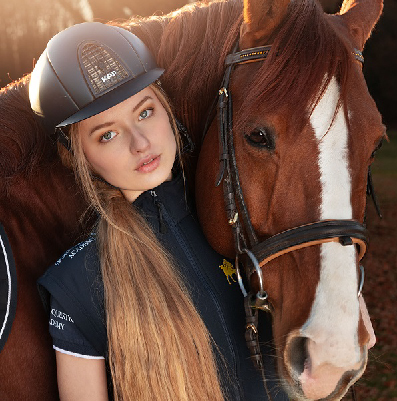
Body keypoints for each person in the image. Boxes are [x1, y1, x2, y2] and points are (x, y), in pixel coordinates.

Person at [30, 22, 288, 401]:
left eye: (145, 112)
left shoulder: (241, 215)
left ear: (167, 109)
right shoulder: (77, 284)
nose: (140, 142)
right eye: (108, 134)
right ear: (76, 157)